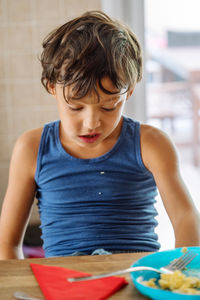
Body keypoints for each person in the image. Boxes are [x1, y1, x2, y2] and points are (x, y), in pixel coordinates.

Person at [0, 11, 199, 260]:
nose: (92, 123)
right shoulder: (31, 148)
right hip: (64, 284)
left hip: (134, 279)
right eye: (76, 107)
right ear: (52, 86)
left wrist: (180, 272)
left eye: (108, 107)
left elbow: (186, 216)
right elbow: (7, 244)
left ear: (128, 91)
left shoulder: (151, 144)